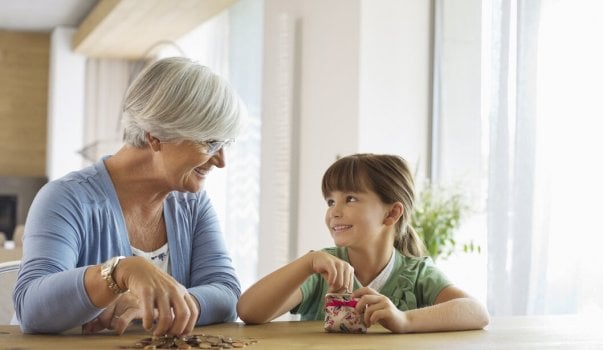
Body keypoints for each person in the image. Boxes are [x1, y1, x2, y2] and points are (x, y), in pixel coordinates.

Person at [13, 57, 245, 336]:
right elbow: (31, 309)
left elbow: (226, 292)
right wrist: (118, 273)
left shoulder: (191, 204)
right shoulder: (66, 198)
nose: (220, 161)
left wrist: (164, 308)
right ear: (156, 136)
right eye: (210, 143)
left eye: (225, 144)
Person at [237, 153, 490, 333]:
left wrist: (404, 320)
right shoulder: (321, 270)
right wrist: (307, 261)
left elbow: (477, 312)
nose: (334, 211)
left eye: (350, 199)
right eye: (330, 201)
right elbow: (249, 311)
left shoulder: (417, 274)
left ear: (391, 213)